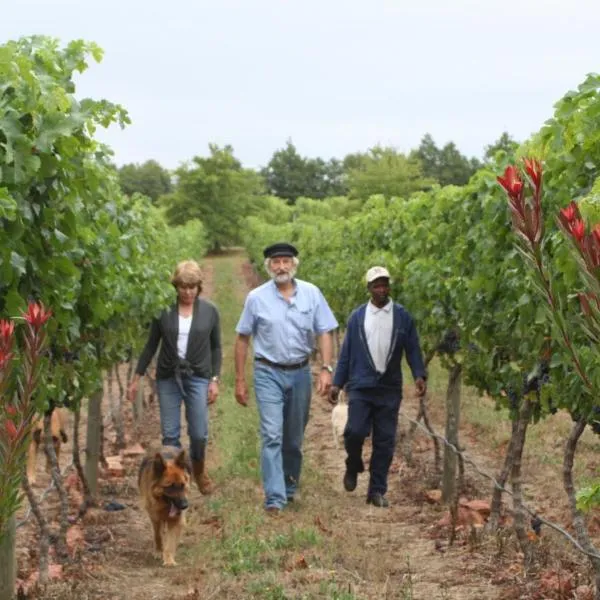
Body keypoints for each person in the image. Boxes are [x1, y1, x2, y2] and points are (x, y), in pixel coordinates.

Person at [234, 242, 338, 514]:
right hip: (268, 371)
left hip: (300, 372)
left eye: (286, 261)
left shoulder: (312, 294)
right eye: (275, 262)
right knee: (271, 435)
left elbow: (325, 331)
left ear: (294, 264)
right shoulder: (256, 298)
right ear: (268, 266)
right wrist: (240, 380)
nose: (281, 267)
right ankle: (274, 498)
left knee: (293, 437)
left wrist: (326, 368)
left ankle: (289, 487)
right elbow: (243, 338)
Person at [330, 266, 427, 508]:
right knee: (354, 431)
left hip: (389, 388)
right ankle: (353, 463)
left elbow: (413, 349)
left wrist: (419, 375)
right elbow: (346, 354)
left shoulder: (402, 316)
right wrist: (337, 383)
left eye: (384, 284)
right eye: (376, 285)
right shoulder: (357, 317)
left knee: (385, 440)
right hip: (361, 386)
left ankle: (376, 490)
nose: (381, 289)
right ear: (369, 288)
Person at [127, 260, 221, 495]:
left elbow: (216, 347)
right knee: (170, 436)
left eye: (192, 287)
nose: (187, 292)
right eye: (183, 287)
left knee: (199, 433)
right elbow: (151, 345)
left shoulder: (210, 312)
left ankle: (198, 471)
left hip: (198, 376)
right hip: (168, 377)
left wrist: (214, 380)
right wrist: (137, 376)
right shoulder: (164, 311)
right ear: (176, 287)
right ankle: (173, 484)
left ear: (199, 287)